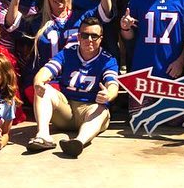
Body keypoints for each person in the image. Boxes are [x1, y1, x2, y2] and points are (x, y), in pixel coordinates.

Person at [27, 16, 119, 157]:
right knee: (43, 90)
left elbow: (112, 84)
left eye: (94, 36)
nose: (89, 40)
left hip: (89, 109)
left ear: (101, 38)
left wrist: (108, 94)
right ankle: (43, 136)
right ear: (78, 36)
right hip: (66, 109)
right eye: (85, 35)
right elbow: (46, 70)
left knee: (102, 109)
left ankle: (78, 142)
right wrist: (39, 82)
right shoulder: (67, 53)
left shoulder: (108, 60)